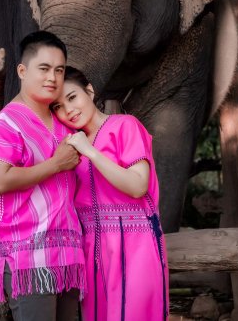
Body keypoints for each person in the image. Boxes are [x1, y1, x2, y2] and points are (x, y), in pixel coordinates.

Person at [51, 66, 169, 321]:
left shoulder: (125, 126)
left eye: (72, 97)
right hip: (92, 250)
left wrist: (91, 152)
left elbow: (138, 186)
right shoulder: (68, 148)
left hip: (135, 247)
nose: (68, 110)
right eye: (58, 106)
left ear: (90, 91)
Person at [0, 31, 85, 321]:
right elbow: (0, 181)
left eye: (59, 70)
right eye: (44, 68)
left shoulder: (64, 124)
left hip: (67, 255)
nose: (53, 77)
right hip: (29, 260)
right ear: (22, 71)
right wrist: (55, 164)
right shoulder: (5, 126)